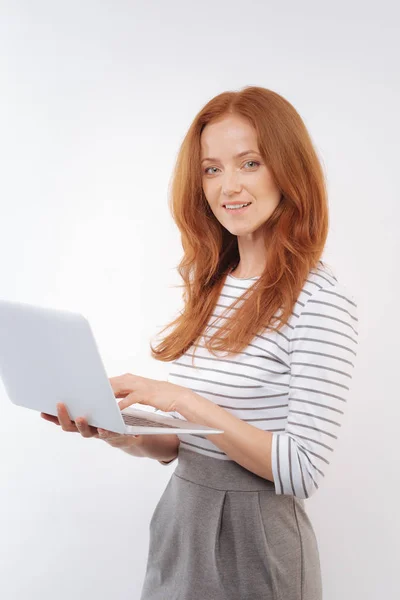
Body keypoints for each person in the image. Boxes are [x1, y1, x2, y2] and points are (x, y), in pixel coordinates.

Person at [41, 86, 359, 599]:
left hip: (258, 540)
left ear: (288, 170)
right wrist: (123, 433)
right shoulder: (214, 285)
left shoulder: (319, 300)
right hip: (181, 520)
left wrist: (182, 399)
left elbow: (301, 469)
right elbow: (188, 442)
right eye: (212, 169)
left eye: (249, 163)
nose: (227, 186)